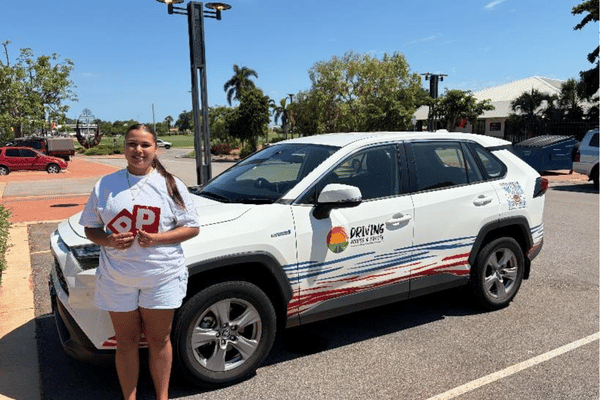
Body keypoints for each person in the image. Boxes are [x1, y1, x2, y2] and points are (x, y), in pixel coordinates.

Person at [79, 124, 200, 400]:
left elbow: (192, 228)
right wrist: (108, 240)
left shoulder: (171, 184)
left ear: (155, 149)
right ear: (124, 148)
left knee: (159, 341)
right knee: (126, 342)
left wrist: (157, 239)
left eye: (145, 145)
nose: (138, 150)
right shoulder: (106, 185)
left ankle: (162, 397)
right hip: (118, 278)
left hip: (161, 276)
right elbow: (90, 228)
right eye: (132, 144)